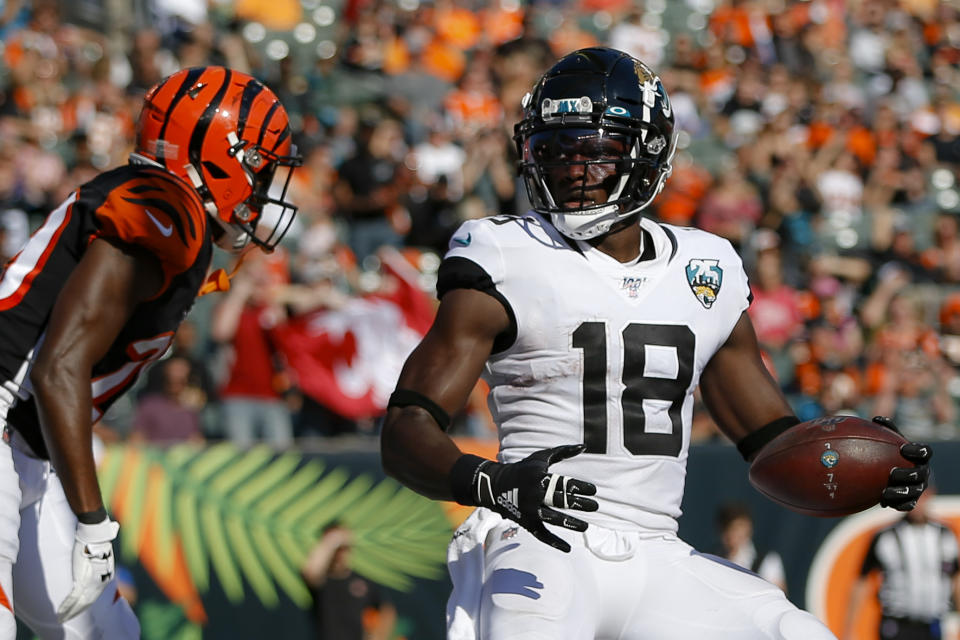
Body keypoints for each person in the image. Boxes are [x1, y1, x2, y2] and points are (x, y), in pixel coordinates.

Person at [379, 47, 931, 640]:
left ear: (649, 153)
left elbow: (770, 441)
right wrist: (494, 483)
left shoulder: (707, 265)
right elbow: (408, 425)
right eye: (555, 151)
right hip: (537, 539)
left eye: (594, 152)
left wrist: (847, 459)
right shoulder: (504, 253)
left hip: (657, 551)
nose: (571, 170)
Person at [0, 66, 300, 639]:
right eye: (259, 167)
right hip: (8, 425)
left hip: (28, 447)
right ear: (219, 155)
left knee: (108, 632)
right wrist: (93, 521)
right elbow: (59, 365)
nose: (263, 189)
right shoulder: (167, 208)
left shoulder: (170, 210)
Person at [843, 483, 960, 640]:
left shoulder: (945, 535)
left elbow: (955, 579)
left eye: (921, 496)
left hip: (932, 625)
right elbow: (862, 582)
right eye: (912, 498)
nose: (917, 503)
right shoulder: (886, 536)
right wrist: (849, 629)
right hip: (897, 625)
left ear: (930, 495)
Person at [301, 523, 397, 640]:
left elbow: (387, 611)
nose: (340, 552)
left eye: (344, 547)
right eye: (337, 548)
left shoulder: (363, 580)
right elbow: (311, 572)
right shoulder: (322, 581)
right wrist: (332, 541)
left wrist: (377, 637)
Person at [714, 501, 787, 593]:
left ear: (748, 528)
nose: (732, 534)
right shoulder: (711, 558)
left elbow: (778, 598)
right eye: (727, 529)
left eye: (737, 528)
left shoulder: (768, 560)